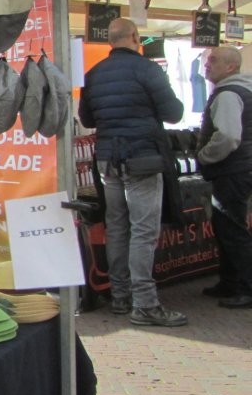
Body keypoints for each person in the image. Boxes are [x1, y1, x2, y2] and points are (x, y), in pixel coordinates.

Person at [78, 18, 187, 327]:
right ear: (136, 37)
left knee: (116, 226)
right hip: (142, 158)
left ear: (110, 41)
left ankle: (121, 295)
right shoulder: (148, 70)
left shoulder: (93, 74)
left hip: (107, 159)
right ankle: (145, 304)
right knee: (143, 230)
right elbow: (174, 113)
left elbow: (87, 118)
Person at [196, 45, 252, 308]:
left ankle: (245, 287)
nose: (207, 64)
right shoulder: (243, 90)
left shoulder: (228, 94)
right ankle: (230, 282)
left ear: (230, 67)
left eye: (213, 60)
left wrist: (205, 155)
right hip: (240, 168)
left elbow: (228, 136)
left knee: (232, 229)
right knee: (227, 227)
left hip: (232, 170)